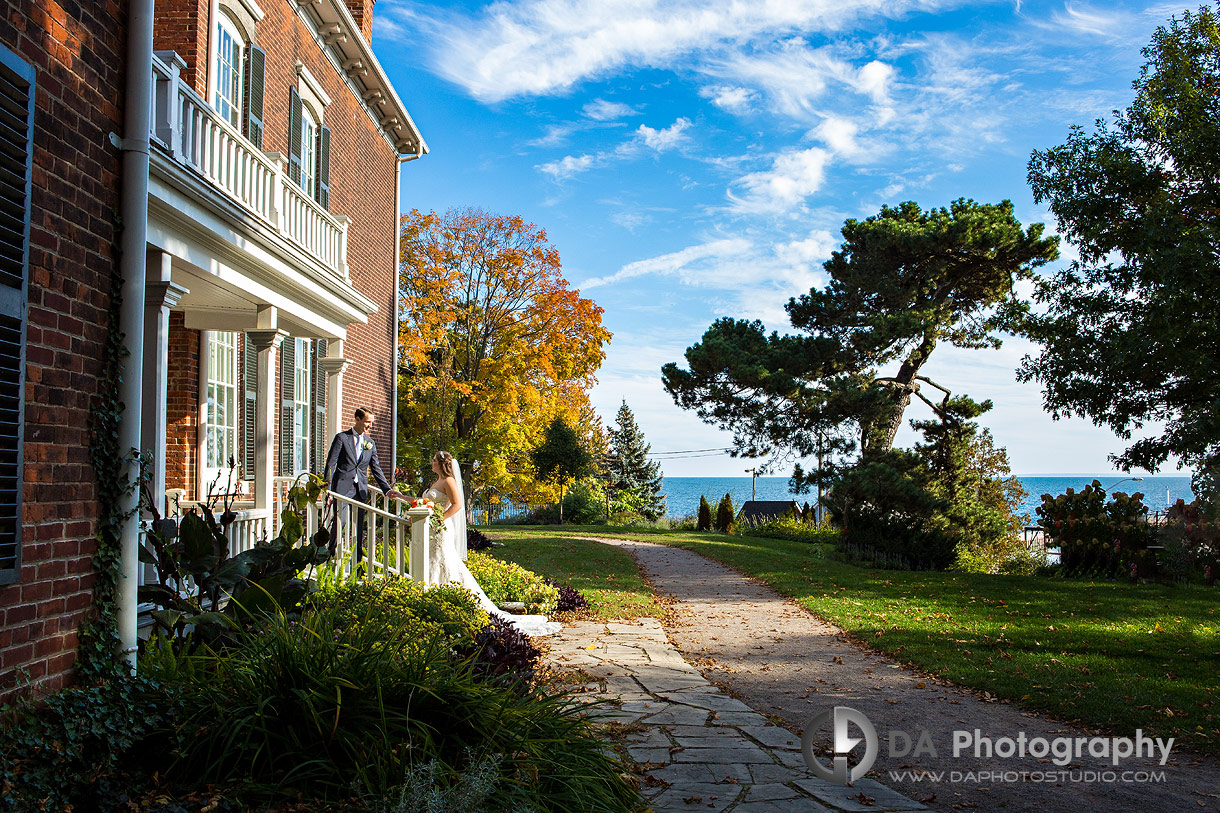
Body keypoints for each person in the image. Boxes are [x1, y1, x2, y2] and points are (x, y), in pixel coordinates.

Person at [422, 451, 559, 637]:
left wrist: (440, 519)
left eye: (433, 460)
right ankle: (433, 594)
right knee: (433, 559)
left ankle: (449, 595)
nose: (431, 463)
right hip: (431, 529)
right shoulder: (436, 482)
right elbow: (423, 502)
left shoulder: (449, 481)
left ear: (441, 463)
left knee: (443, 560)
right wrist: (402, 497)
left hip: (441, 527)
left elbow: (457, 505)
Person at [323, 407, 403, 559]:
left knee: (359, 527)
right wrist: (328, 489)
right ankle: (330, 557)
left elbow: (376, 468)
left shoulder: (370, 443)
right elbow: (331, 464)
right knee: (341, 522)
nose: (370, 426)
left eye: (371, 423)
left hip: (360, 489)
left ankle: (358, 563)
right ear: (357, 419)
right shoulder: (342, 438)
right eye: (367, 422)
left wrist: (386, 489)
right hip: (342, 488)